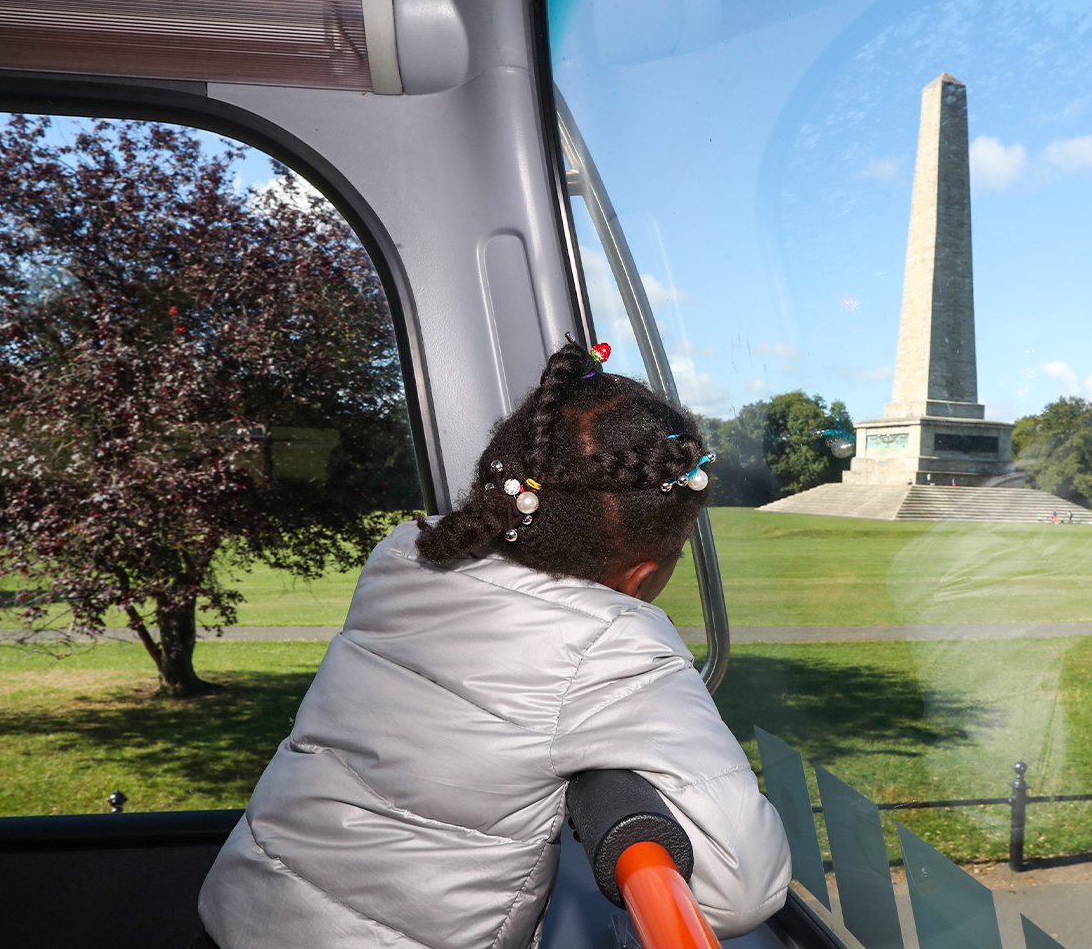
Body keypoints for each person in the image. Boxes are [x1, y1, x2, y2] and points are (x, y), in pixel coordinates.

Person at [197, 341, 791, 949]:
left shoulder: (405, 557)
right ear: (640, 577)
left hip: (241, 910)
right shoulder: (613, 642)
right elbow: (742, 887)